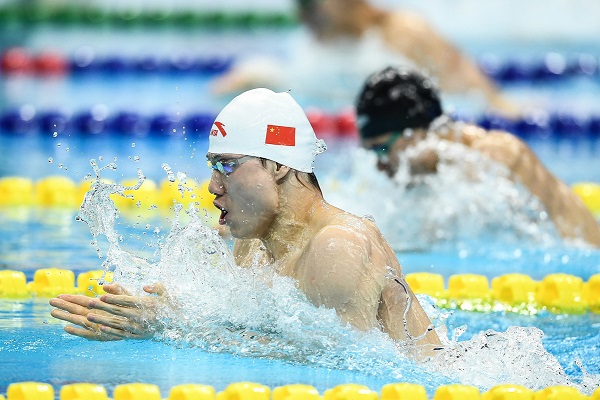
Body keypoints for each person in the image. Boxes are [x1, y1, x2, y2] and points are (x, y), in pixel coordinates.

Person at [49, 88, 442, 358]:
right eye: (213, 166)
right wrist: (150, 309)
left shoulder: (337, 245)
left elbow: (345, 365)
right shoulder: (254, 242)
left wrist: (173, 327)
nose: (212, 186)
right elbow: (263, 331)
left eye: (228, 165)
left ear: (277, 165)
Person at [355, 66, 600, 247]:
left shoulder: (494, 154)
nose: (379, 165)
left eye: (382, 149)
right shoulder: (443, 169)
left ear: (413, 135)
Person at [213, 0, 518, 117]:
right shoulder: (324, 45)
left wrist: (501, 107)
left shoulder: (403, 31)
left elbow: (470, 89)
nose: (302, 16)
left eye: (309, 5)